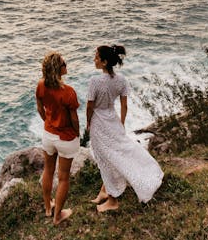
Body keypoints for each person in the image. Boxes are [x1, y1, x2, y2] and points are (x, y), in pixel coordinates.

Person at [86, 44, 163, 212]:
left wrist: (88, 123)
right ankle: (104, 192)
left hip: (99, 123)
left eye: (97, 57)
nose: (94, 59)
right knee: (111, 155)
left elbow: (90, 107)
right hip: (113, 119)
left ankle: (112, 201)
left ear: (105, 62)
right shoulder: (121, 80)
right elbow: (124, 106)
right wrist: (120, 123)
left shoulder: (94, 82)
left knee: (106, 158)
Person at [36, 52, 80, 225]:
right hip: (65, 138)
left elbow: (40, 109)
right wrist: (78, 132)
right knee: (63, 178)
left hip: (48, 135)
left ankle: (48, 208)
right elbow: (74, 119)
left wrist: (48, 122)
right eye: (64, 63)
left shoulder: (40, 85)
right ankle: (57, 217)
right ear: (58, 69)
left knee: (48, 170)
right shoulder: (68, 92)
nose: (66, 65)